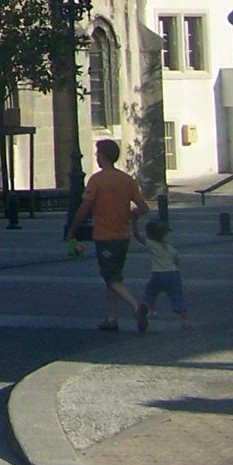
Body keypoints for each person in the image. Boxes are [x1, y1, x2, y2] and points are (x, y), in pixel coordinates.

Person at [66, 137, 151, 332]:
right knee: (114, 277)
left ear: (102, 157)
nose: (96, 157)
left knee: (110, 278)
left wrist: (72, 231)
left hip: (105, 236)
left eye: (97, 154)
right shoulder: (126, 179)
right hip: (123, 235)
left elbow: (84, 208)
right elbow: (144, 208)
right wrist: (132, 215)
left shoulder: (97, 180)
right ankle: (112, 317)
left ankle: (136, 306)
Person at [139, 216, 191, 328]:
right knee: (177, 296)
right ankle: (184, 319)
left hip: (158, 274)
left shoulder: (151, 244)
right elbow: (176, 259)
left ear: (149, 234)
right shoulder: (168, 246)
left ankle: (151, 310)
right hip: (173, 274)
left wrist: (133, 223)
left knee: (150, 291)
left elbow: (137, 236)